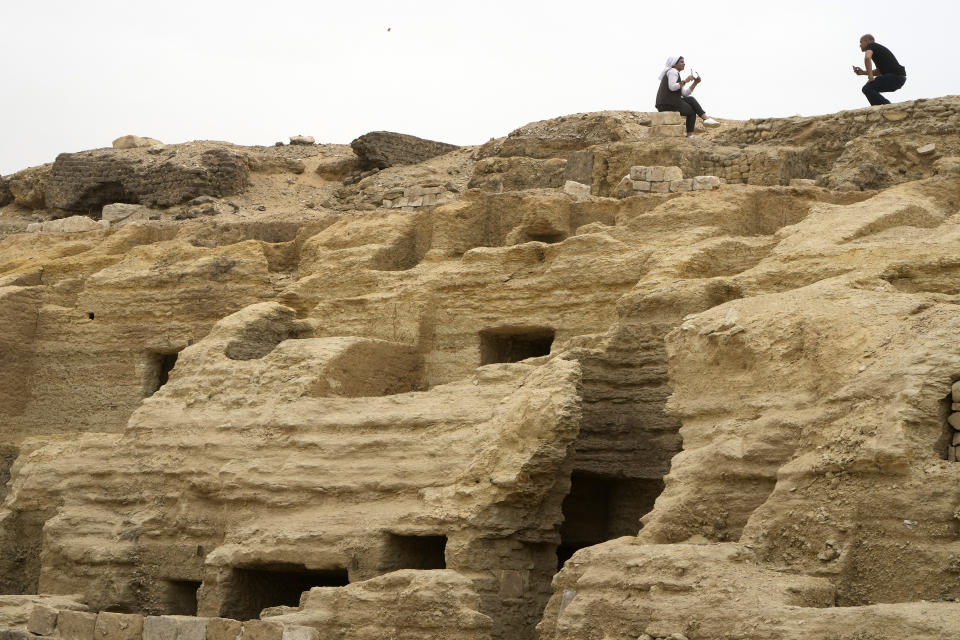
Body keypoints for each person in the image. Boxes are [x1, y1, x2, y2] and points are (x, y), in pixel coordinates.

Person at [655, 56, 720, 137]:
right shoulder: (673, 71)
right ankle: (699, 125)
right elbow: (672, 87)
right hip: (668, 103)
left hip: (665, 103)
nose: (684, 63)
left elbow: (685, 93)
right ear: (674, 64)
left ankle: (705, 119)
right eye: (681, 62)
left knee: (690, 99)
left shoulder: (675, 73)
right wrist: (685, 81)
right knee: (692, 111)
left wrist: (695, 83)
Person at [853, 34, 906, 106]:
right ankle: (882, 107)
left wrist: (870, 77)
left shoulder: (871, 45)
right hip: (898, 78)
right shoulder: (877, 49)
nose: (860, 45)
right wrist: (863, 72)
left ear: (867, 41)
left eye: (861, 42)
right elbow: (879, 71)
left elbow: (867, 58)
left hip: (895, 77)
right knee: (868, 88)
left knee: (867, 88)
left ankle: (886, 107)